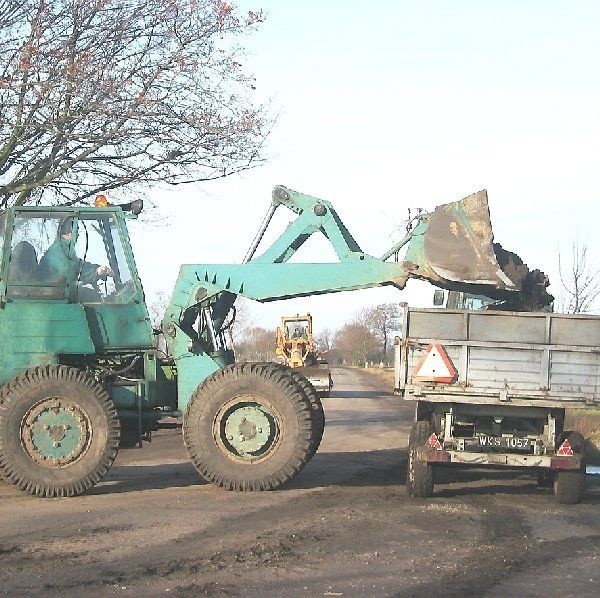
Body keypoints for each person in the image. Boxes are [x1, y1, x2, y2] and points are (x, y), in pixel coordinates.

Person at [36, 217, 112, 290]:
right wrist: (94, 272)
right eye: (76, 232)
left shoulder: (65, 248)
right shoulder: (59, 250)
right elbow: (69, 271)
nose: (78, 235)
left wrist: (96, 268)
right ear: (68, 234)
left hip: (57, 290)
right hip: (51, 292)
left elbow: (77, 265)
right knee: (90, 296)